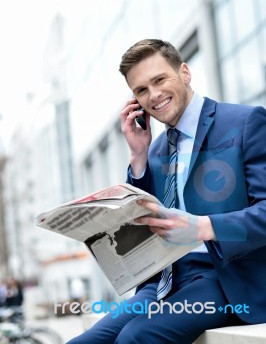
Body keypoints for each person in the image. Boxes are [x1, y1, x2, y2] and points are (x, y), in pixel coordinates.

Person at [67, 39, 266, 343]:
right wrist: (137, 157)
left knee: (136, 338)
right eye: (141, 90)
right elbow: (142, 218)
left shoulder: (244, 122)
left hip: (225, 276)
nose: (153, 95)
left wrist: (202, 227)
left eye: (159, 79)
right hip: (164, 280)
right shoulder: (155, 148)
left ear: (184, 73)